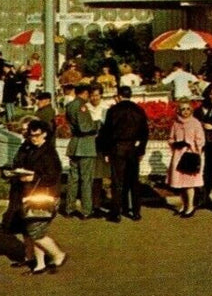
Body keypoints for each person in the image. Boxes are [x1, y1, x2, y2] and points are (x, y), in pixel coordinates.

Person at [11, 119, 67, 275]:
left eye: (37, 135)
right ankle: (39, 263)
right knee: (31, 231)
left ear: (45, 134)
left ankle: (58, 255)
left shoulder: (49, 153)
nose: (33, 138)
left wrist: (33, 177)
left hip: (45, 197)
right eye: (31, 135)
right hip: (32, 195)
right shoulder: (30, 147)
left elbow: (53, 175)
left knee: (36, 232)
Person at [99, 86, 149, 222]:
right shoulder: (139, 110)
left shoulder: (113, 110)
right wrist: (141, 150)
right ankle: (136, 211)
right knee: (133, 180)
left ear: (119, 96)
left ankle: (116, 212)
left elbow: (107, 132)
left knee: (117, 181)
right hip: (133, 147)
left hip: (117, 147)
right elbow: (145, 132)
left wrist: (106, 151)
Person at [166, 99, 205, 218]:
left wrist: (192, 147)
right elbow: (170, 138)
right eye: (183, 109)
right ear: (179, 110)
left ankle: (191, 206)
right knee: (180, 184)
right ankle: (184, 204)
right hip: (178, 156)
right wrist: (176, 143)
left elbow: (201, 140)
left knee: (189, 184)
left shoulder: (195, 123)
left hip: (190, 155)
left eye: (188, 109)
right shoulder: (175, 124)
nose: (186, 111)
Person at [64, 85, 98, 219]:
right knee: (86, 180)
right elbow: (84, 128)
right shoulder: (82, 106)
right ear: (84, 93)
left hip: (74, 144)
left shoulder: (70, 105)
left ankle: (69, 208)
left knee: (73, 179)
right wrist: (97, 125)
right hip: (85, 146)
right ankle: (86, 210)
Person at [87, 84, 110, 217]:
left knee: (100, 176)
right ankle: (92, 204)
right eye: (92, 95)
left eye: (97, 95)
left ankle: (99, 204)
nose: (94, 98)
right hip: (89, 145)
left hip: (101, 146)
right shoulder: (86, 108)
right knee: (90, 176)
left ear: (101, 95)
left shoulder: (106, 108)